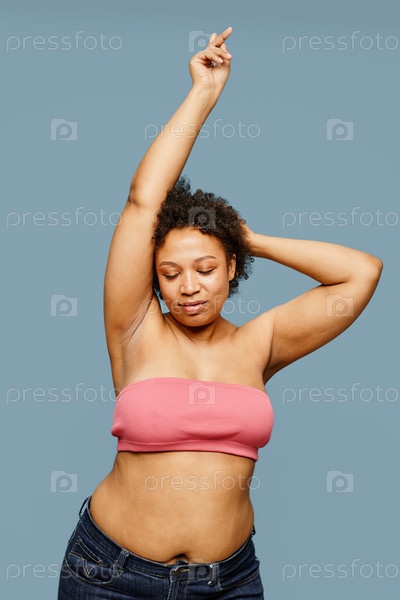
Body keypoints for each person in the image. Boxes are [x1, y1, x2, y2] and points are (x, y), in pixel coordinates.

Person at [57, 26, 382, 599]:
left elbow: (361, 272)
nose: (188, 287)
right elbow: (143, 200)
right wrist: (203, 93)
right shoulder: (135, 329)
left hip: (228, 581)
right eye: (170, 273)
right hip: (111, 575)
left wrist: (249, 238)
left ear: (232, 267)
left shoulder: (261, 342)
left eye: (206, 268)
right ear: (154, 279)